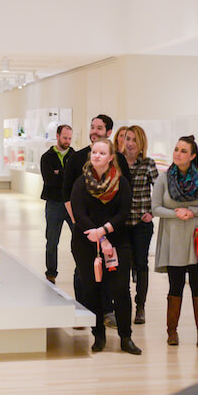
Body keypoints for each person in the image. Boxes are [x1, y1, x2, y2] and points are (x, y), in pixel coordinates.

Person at [69, 138, 141, 355]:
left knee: (120, 290)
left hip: (117, 241)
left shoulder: (121, 182)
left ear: (111, 157)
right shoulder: (81, 182)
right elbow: (79, 213)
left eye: (101, 153)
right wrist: (100, 237)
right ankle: (98, 335)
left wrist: (104, 231)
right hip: (86, 242)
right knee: (91, 289)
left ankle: (126, 337)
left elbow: (124, 212)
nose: (97, 156)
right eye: (94, 152)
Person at [62, 114, 130, 327]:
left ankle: (107, 312)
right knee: (83, 273)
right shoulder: (76, 159)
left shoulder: (120, 163)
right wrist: (80, 223)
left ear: (109, 132)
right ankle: (83, 311)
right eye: (92, 127)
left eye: (99, 128)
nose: (94, 131)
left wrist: (105, 230)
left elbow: (124, 201)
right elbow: (67, 195)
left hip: (112, 231)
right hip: (86, 230)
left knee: (110, 271)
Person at [153, 135, 198, 347]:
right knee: (175, 286)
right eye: (176, 149)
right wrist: (176, 213)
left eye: (183, 151)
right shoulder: (164, 178)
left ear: (192, 155)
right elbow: (155, 208)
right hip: (173, 241)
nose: (178, 154)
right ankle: (172, 332)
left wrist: (192, 211)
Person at [122, 125, 159, 324]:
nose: (130, 143)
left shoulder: (147, 164)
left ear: (141, 143)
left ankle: (140, 306)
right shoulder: (117, 161)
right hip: (121, 223)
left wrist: (152, 212)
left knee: (141, 263)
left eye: (134, 140)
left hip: (141, 224)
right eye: (127, 139)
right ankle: (124, 305)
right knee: (123, 265)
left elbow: (159, 190)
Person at [40, 124, 75, 284]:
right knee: (52, 241)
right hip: (54, 204)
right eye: (65, 137)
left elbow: (76, 180)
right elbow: (49, 180)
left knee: (79, 238)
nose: (67, 141)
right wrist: (65, 175)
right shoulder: (47, 157)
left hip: (71, 204)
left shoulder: (74, 156)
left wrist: (59, 173)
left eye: (69, 138)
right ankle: (51, 273)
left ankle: (81, 269)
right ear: (57, 136)